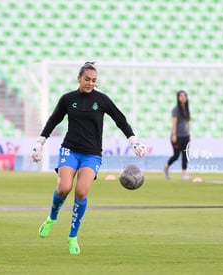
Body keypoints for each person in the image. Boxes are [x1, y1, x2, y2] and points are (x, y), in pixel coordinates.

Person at [32, 62, 148, 254]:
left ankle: (72, 237)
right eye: (87, 79)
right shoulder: (68, 99)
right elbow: (54, 120)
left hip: (92, 154)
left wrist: (134, 141)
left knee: (81, 192)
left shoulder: (102, 100)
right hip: (70, 149)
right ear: (79, 78)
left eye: (94, 80)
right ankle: (52, 218)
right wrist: (40, 143)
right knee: (64, 187)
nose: (90, 83)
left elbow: (120, 120)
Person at [163, 90, 191, 180]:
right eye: (181, 96)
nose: (183, 97)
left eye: (184, 96)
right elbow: (174, 122)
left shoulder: (186, 109)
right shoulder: (176, 110)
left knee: (185, 154)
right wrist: (174, 135)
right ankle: (166, 167)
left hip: (185, 135)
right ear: (178, 98)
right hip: (177, 136)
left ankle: (184, 173)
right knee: (176, 155)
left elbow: (187, 122)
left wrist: (189, 133)